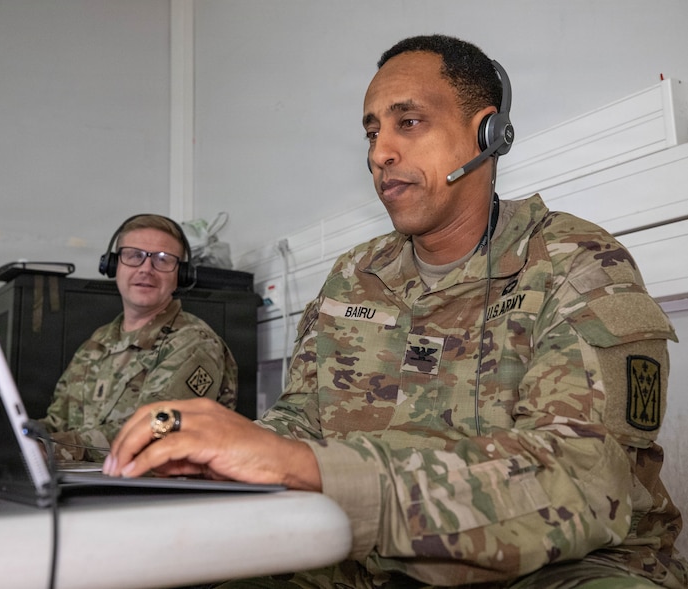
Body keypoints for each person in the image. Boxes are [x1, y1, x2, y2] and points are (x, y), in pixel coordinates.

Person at [103, 35, 687, 588]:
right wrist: (225, 462)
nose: (381, 153)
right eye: (372, 132)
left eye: (409, 122)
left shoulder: (576, 261)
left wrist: (303, 466)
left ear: (486, 133)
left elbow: (585, 477)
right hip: (368, 558)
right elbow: (302, 419)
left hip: (557, 565)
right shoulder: (353, 276)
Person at [40, 214, 238, 462]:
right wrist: (22, 438)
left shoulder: (193, 341)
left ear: (181, 275)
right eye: (134, 256)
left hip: (157, 494)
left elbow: (157, 429)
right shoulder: (96, 342)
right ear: (113, 266)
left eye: (163, 260)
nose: (146, 269)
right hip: (89, 486)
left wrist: (54, 449)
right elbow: (57, 422)